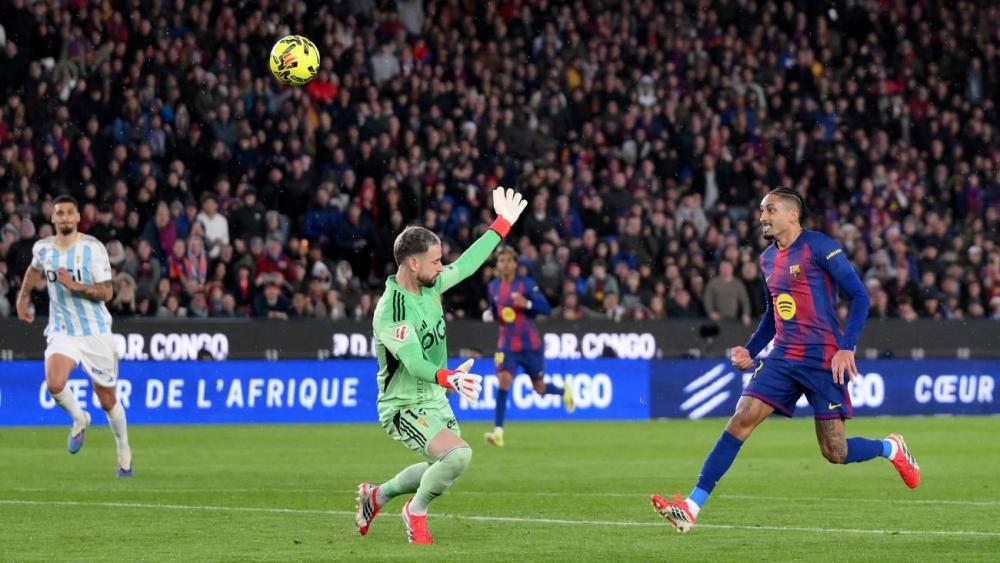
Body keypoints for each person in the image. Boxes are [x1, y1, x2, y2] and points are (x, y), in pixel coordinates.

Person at [650, 187, 919, 533]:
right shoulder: (766, 259)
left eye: (770, 210)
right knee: (741, 419)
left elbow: (860, 297)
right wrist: (751, 348)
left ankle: (890, 447)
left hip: (823, 358)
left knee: (835, 451)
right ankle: (691, 507)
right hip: (783, 355)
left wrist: (847, 346)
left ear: (792, 215)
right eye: (762, 210)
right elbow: (772, 315)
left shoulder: (819, 246)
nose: (763, 217)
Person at [355, 187, 527, 545]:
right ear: (412, 263)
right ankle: (414, 513)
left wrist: (502, 224)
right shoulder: (392, 309)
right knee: (458, 455)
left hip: (434, 396)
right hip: (403, 406)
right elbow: (414, 361)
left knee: (443, 465)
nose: (441, 266)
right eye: (435, 261)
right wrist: (447, 377)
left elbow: (466, 264)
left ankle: (378, 496)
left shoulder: (430, 286)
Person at [15, 195, 133, 477]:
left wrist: (76, 286)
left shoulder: (93, 248)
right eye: (60, 213)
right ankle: (80, 418)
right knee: (54, 383)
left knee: (106, 398)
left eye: (70, 212)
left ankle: (124, 450)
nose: (65, 217)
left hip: (95, 332)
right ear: (53, 218)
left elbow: (107, 292)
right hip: (62, 330)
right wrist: (22, 298)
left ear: (78, 217)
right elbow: (34, 270)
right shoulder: (43, 249)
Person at [483, 246, 572, 448]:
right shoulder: (493, 287)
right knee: (503, 380)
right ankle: (498, 433)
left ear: (515, 264)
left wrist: (528, 305)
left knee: (539, 388)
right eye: (501, 261)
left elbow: (546, 309)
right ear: (497, 265)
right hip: (506, 345)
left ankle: (563, 391)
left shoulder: (527, 285)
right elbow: (496, 312)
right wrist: (491, 314)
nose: (505, 264)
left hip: (530, 345)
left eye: (508, 260)